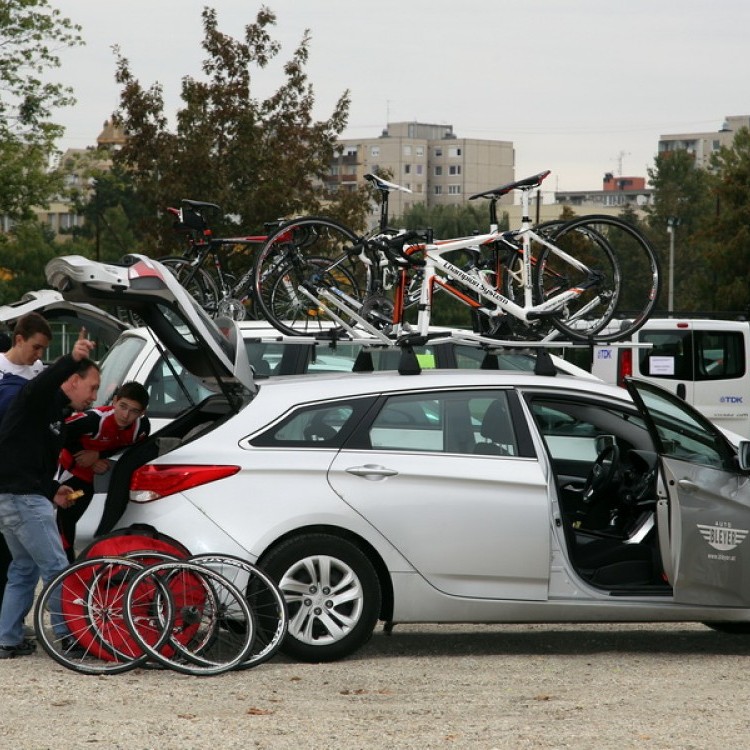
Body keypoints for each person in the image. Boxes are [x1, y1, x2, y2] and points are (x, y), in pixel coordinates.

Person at [0, 330, 98, 659]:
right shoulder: (37, 398)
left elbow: (29, 460)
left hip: (17, 496)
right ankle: (70, 637)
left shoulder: (56, 414)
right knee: (57, 567)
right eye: (92, 387)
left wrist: (54, 489)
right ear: (71, 381)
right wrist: (73, 357)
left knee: (23, 568)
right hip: (19, 499)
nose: (94, 397)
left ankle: (7, 639)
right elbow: (40, 385)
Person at [57, 381, 150, 562]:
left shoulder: (142, 428)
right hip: (69, 476)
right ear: (114, 401)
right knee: (64, 520)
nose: (125, 415)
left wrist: (100, 455)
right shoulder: (95, 419)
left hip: (90, 484)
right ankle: (65, 567)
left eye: (134, 411)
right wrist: (85, 457)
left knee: (77, 517)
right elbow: (59, 431)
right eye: (122, 406)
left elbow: (132, 452)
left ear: (142, 413)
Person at [0, 313, 53, 611]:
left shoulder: (36, 370)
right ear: (18, 339)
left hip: (28, 470)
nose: (39, 355)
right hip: (8, 476)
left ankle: (9, 628)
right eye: (35, 347)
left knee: (20, 564)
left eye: (43, 350)